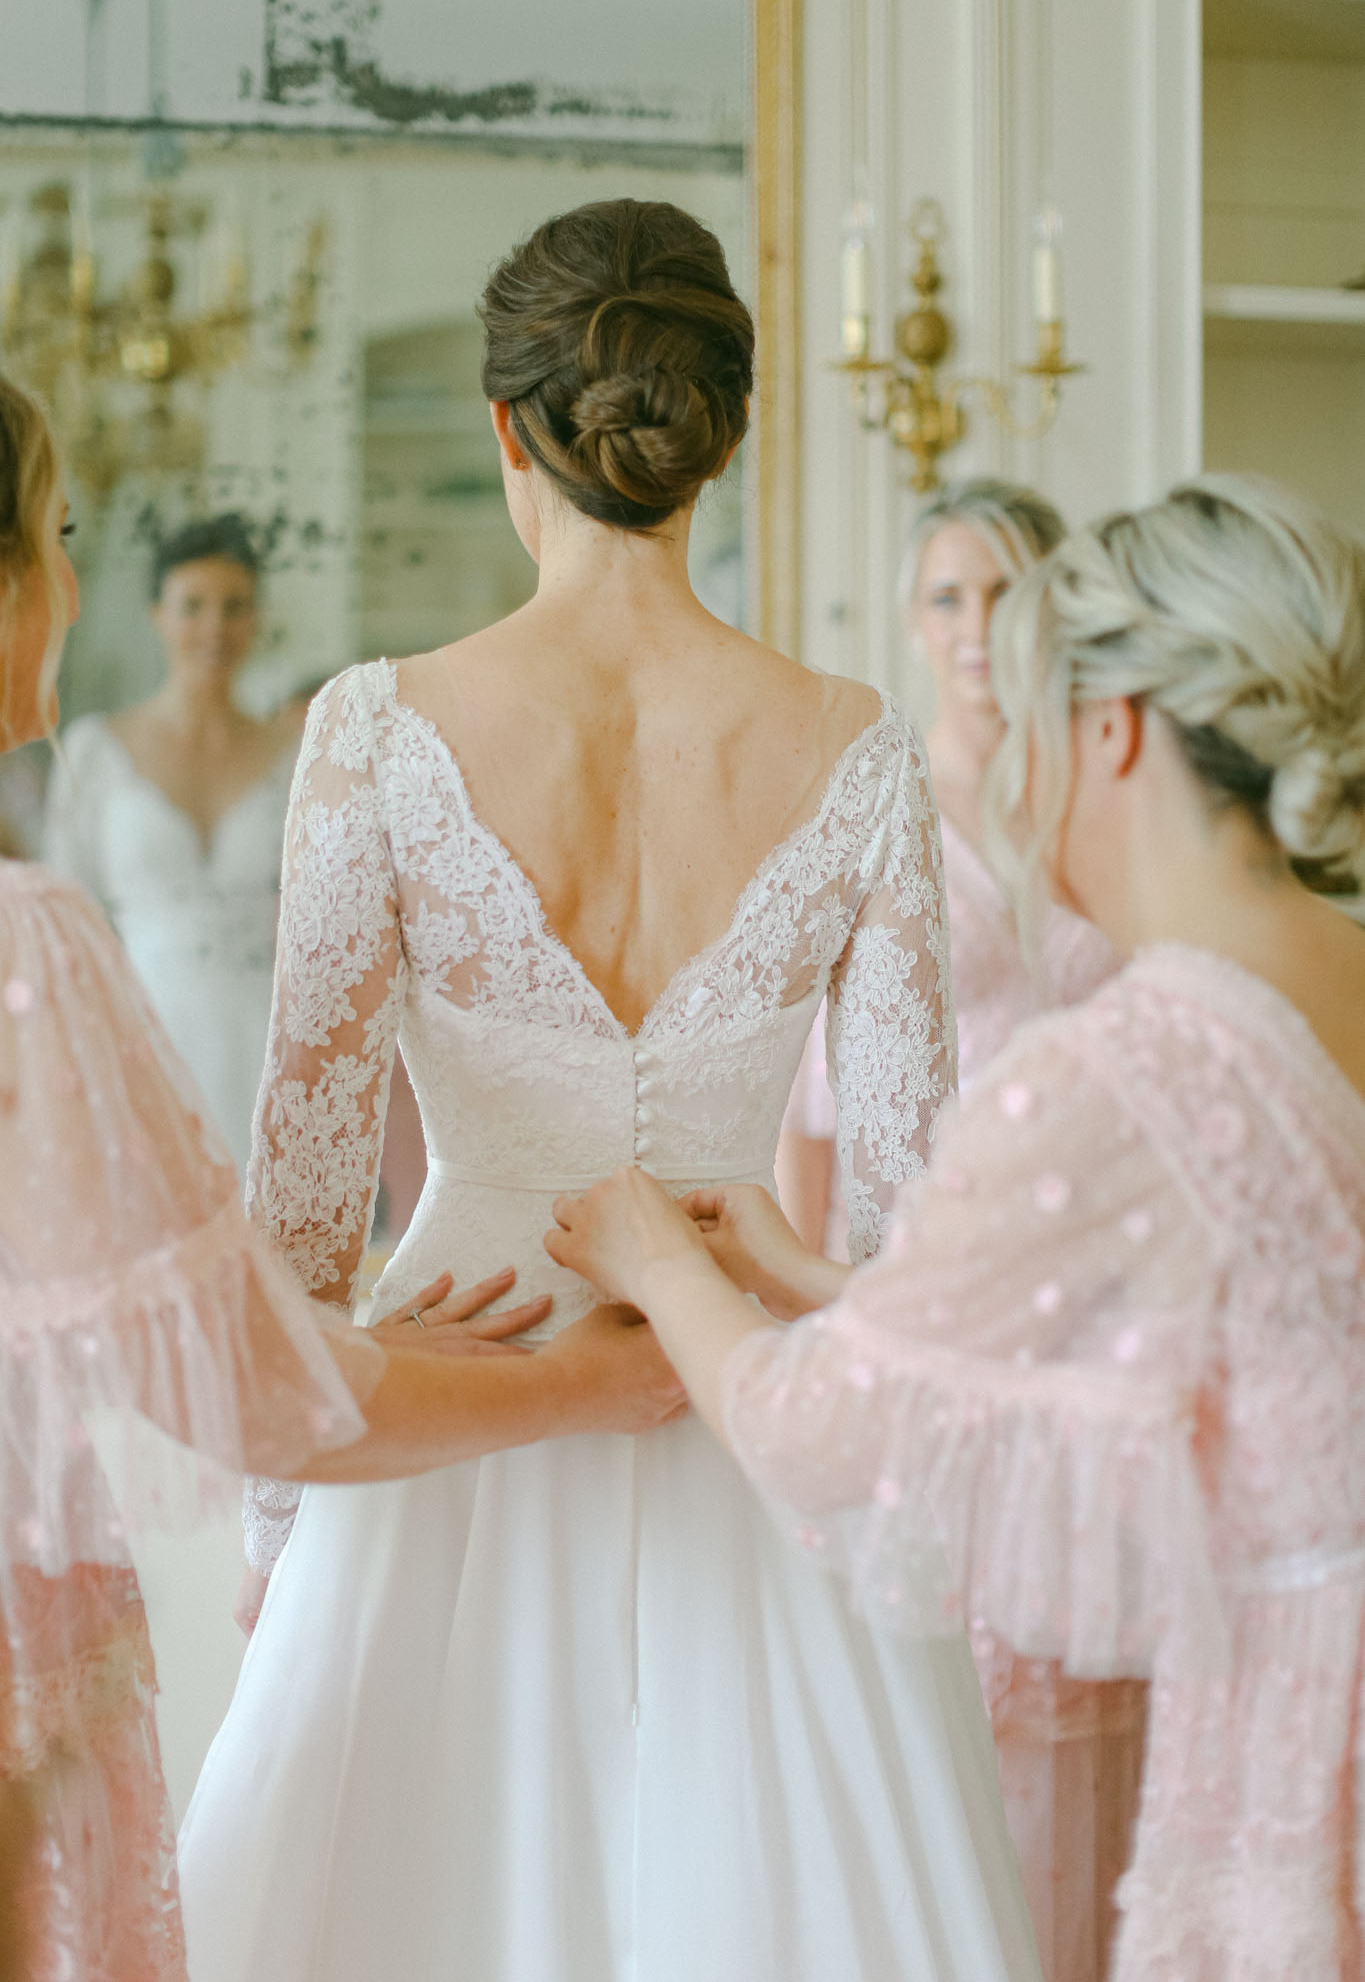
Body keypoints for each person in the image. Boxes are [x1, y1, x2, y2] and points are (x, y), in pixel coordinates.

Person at [177, 199, 1041, 1982]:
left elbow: (307, 1188)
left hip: (457, 1387)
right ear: (718, 435)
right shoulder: (859, 743)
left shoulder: (376, 728)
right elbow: (906, 1208)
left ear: (509, 428)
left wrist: (283, 1532)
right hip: (746, 1410)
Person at [549, 473, 1365, 1982]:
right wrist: (812, 1271)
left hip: (1291, 1765)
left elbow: (813, 1441)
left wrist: (651, 1256)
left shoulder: (1132, 1064)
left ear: (1109, 731)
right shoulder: (1328, 982)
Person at [0, 369, 685, 1981]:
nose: (78, 584)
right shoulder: (27, 945)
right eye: (57, 532)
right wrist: (572, 1385)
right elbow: (246, 1393)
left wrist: (348, 1340)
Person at [778, 479, 1117, 1260]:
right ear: (912, 622)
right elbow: (809, 1102)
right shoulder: (871, 807)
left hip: (1093, 1233)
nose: (979, 627)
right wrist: (797, 1304)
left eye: (1006, 594)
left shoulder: (1114, 798)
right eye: (946, 598)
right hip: (927, 1246)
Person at [43, 514, 293, 1178]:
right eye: (194, 606)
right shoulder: (97, 750)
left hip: (268, 1041)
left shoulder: (292, 756)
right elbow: (66, 919)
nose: (215, 627)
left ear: (256, 618)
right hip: (140, 1030)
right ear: (158, 614)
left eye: (235, 606)